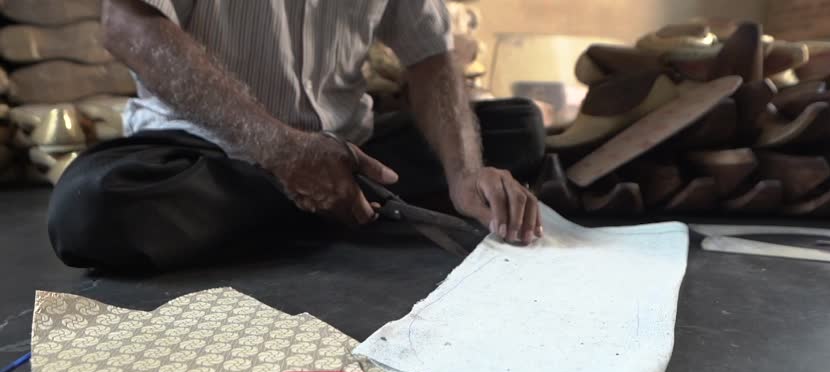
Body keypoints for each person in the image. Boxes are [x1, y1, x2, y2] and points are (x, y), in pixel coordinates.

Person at [47, 0, 545, 271]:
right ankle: (330, 203)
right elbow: (127, 23)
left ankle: (320, 200)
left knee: (519, 125)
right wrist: (276, 147)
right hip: (210, 153)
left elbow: (431, 53)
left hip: (350, 149)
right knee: (91, 208)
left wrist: (463, 171)